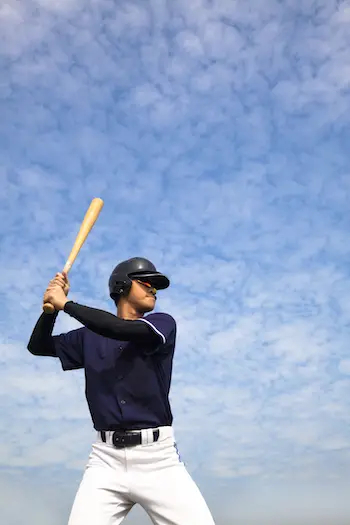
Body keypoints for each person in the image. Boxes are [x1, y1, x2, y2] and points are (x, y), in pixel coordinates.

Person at [27, 257, 215, 525]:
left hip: (157, 459)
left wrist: (66, 304)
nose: (153, 290)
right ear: (122, 285)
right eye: (147, 282)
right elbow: (38, 346)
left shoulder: (162, 323)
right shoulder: (87, 337)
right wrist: (50, 311)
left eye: (155, 286)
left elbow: (117, 328)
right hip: (105, 461)